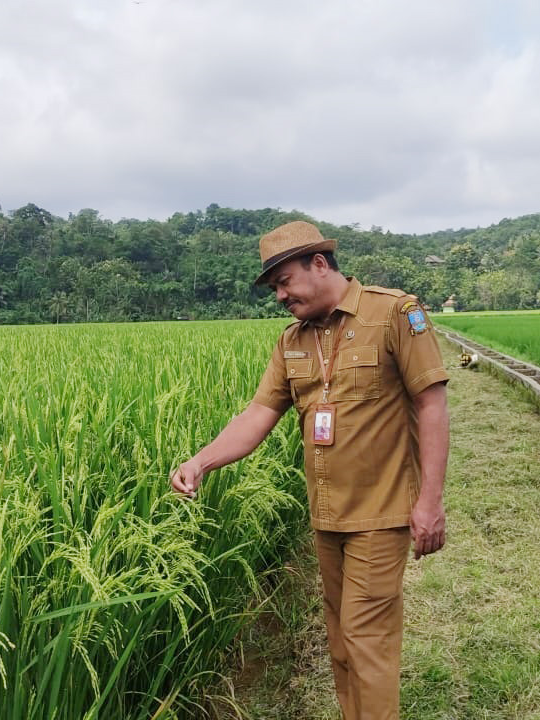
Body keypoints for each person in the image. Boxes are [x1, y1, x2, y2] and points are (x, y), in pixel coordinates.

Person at [169, 221, 449, 720]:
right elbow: (257, 415)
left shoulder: (394, 314)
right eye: (274, 287)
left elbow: (431, 406)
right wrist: (200, 461)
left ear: (319, 264)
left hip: (381, 513)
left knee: (367, 639)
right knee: (341, 641)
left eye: (284, 282)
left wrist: (429, 502)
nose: (279, 295)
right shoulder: (291, 342)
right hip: (326, 517)